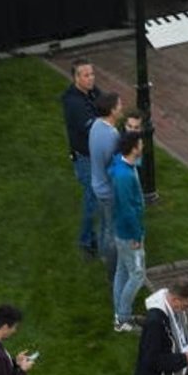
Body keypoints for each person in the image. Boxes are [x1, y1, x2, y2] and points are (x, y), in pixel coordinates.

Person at [60, 59, 99, 256]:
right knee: (91, 199)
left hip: (95, 155)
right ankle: (86, 240)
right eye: (86, 75)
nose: (91, 78)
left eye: (92, 74)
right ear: (76, 78)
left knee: (98, 197)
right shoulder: (72, 102)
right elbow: (92, 126)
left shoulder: (92, 92)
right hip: (85, 158)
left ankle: (96, 235)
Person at [112, 130, 148, 332]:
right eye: (140, 144)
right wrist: (136, 235)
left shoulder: (123, 165)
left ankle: (119, 314)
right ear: (134, 148)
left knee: (122, 271)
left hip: (121, 231)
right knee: (137, 274)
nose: (142, 147)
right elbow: (127, 210)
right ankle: (123, 318)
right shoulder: (124, 177)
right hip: (129, 235)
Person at [88, 91, 122, 278]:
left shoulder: (95, 125)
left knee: (103, 224)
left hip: (97, 186)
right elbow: (114, 167)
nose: (121, 108)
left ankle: (103, 255)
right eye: (119, 105)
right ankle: (113, 269)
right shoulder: (112, 135)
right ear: (111, 110)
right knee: (112, 232)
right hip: (109, 191)